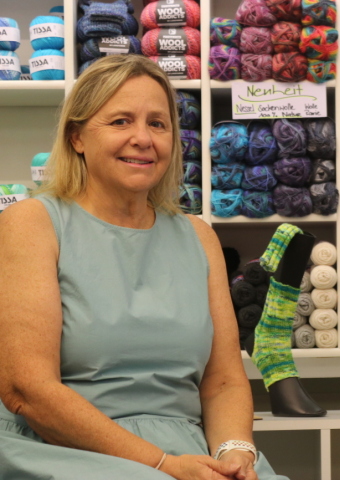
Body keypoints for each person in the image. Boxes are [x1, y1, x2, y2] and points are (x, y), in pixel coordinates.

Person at [0, 55, 288, 480]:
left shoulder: (197, 235)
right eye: (120, 121)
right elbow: (29, 393)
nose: (143, 138)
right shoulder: (33, 222)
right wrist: (162, 465)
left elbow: (224, 381)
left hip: (186, 452)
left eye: (158, 123)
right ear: (77, 136)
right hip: (65, 446)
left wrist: (235, 454)